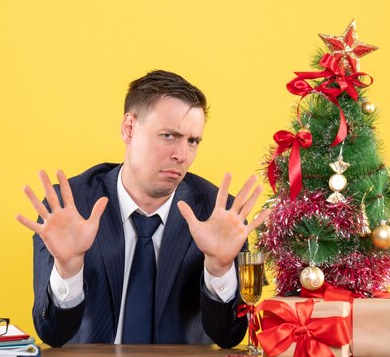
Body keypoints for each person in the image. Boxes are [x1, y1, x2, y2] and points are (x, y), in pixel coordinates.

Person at [16, 70, 269, 348]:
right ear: (129, 129)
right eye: (168, 135)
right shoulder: (67, 208)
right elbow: (52, 333)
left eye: (192, 141)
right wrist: (69, 268)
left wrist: (219, 269)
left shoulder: (219, 214)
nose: (181, 155)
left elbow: (228, 336)